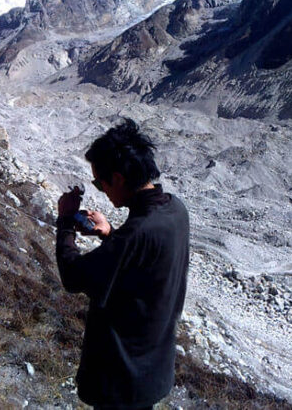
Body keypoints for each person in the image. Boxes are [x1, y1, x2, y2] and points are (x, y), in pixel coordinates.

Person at [55, 119, 190, 410]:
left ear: (117, 178)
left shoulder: (137, 233)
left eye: (99, 182)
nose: (101, 190)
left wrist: (65, 221)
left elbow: (73, 276)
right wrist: (110, 235)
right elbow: (142, 264)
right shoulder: (175, 209)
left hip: (122, 377)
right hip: (152, 368)